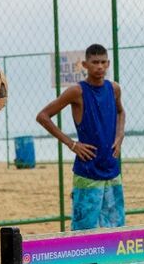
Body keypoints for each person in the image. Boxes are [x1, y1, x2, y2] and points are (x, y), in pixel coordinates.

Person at [35, 44, 126, 230]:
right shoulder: (77, 91)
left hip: (111, 168)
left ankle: (112, 260)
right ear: (85, 64)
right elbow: (43, 116)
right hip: (87, 171)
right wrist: (72, 144)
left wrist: (120, 135)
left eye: (103, 62)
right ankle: (83, 261)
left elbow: (121, 112)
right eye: (94, 62)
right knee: (84, 230)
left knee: (116, 227)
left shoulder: (114, 89)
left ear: (108, 63)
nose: (99, 67)